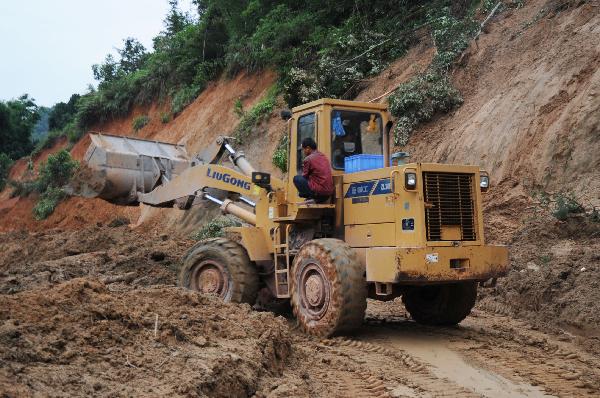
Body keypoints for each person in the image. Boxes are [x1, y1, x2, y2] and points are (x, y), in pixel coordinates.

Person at [293, 138, 334, 203]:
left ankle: (312, 196)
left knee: (297, 178)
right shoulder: (323, 156)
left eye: (304, 149)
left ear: (308, 148)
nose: (303, 152)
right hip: (328, 194)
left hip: (319, 193)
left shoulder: (308, 159)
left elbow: (304, 176)